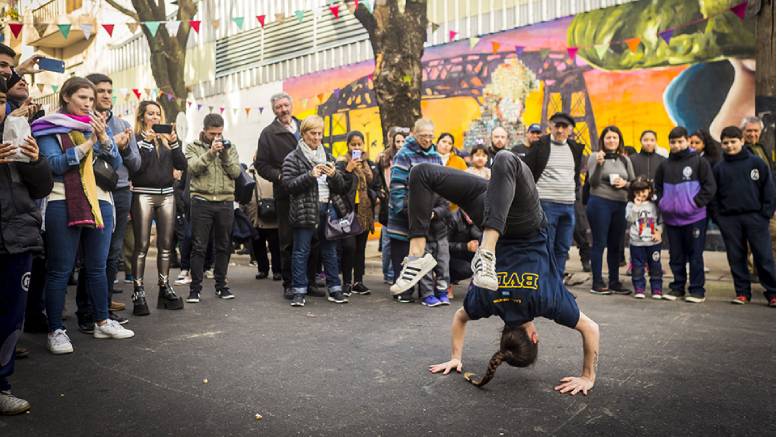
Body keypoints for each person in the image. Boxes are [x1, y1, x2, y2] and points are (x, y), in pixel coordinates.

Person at [385, 152, 599, 394]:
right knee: (422, 172)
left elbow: (591, 329)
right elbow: (459, 318)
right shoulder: (487, 302)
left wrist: (588, 376)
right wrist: (456, 356)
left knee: (504, 160)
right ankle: (419, 254)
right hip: (490, 212)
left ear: (535, 337)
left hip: (521, 222)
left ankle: (429, 254)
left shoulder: (548, 302)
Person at [35, 77, 135, 354]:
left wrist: (104, 140)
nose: (89, 103)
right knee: (60, 269)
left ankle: (102, 321)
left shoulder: (95, 127)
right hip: (62, 200)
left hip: (100, 199)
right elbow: (54, 165)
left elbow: (115, 164)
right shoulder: (48, 127)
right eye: (83, 98)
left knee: (98, 266)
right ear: (66, 97)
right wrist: (90, 142)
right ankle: (56, 329)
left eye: (91, 99)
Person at [0, 77, 53, 414]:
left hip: (17, 239)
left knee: (9, 319)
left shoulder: (17, 131)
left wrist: (34, 161)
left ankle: (2, 386)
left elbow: (41, 188)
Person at [129, 100, 187, 315]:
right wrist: (145, 143)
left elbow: (182, 165)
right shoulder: (135, 138)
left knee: (165, 245)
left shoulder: (166, 140)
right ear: (142, 116)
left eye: (157, 114)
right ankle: (138, 290)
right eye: (150, 114)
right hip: (142, 193)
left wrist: (173, 143)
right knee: (142, 245)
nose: (154, 117)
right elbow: (136, 169)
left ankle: (165, 287)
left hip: (167, 195)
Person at [282, 115, 346, 307]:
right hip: (305, 209)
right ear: (303, 134)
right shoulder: (292, 158)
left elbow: (341, 187)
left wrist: (334, 175)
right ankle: (299, 292)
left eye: (320, 133)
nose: (317, 137)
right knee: (301, 251)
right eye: (313, 133)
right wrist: (310, 175)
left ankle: (335, 289)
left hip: (328, 208)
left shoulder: (328, 156)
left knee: (330, 251)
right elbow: (288, 186)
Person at [712, 126, 775, 306]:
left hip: (756, 218)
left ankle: (772, 293)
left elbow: (769, 190)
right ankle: (742, 293)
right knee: (736, 257)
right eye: (726, 143)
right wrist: (719, 219)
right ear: (722, 144)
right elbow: (713, 197)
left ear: (741, 141)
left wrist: (765, 214)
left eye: (733, 141)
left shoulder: (757, 163)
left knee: (763, 256)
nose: (730, 146)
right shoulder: (719, 168)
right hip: (730, 220)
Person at [654, 127, 716, 303]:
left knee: (695, 256)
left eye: (680, 141)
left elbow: (710, 187)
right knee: (676, 256)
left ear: (687, 141)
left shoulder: (699, 162)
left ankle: (697, 290)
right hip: (672, 220)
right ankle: (677, 288)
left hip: (695, 218)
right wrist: (662, 203)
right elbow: (657, 188)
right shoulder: (664, 165)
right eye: (673, 142)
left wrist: (694, 204)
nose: (676, 145)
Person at [184, 114, 241, 303]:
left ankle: (221, 286)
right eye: (212, 134)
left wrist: (223, 154)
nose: (216, 137)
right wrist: (210, 153)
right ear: (205, 130)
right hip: (201, 200)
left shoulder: (230, 146)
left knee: (223, 246)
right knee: (199, 246)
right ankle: (195, 289)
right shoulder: (193, 146)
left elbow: (236, 173)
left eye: (219, 133)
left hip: (225, 201)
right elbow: (192, 169)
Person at [386, 119, 443, 303]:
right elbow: (396, 186)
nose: (427, 140)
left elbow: (441, 185)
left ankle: (421, 290)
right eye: (423, 136)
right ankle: (402, 290)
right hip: (404, 214)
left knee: (420, 255)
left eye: (430, 136)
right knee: (402, 254)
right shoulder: (404, 154)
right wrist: (403, 209)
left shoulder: (436, 157)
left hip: (426, 214)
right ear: (414, 134)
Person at [523, 112, 584, 278]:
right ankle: (544, 282)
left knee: (563, 247)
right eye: (557, 126)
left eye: (564, 127)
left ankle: (556, 284)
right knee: (545, 245)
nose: (560, 130)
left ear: (570, 129)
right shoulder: (540, 145)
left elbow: (575, 173)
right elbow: (527, 170)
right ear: (550, 126)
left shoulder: (575, 148)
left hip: (568, 204)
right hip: (546, 203)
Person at [255, 93, 302, 299]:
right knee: (288, 240)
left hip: (310, 190)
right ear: (274, 110)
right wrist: (280, 176)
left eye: (285, 105)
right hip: (285, 192)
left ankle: (308, 280)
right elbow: (261, 165)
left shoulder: (305, 127)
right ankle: (289, 283)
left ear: (292, 105)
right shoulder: (268, 133)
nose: (283, 110)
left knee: (312, 237)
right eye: (278, 107)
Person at [586, 126, 636, 295]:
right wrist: (599, 165)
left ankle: (614, 281)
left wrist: (625, 184)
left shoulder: (625, 159)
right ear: (603, 140)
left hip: (620, 204)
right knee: (599, 243)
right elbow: (592, 183)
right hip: (600, 203)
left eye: (615, 137)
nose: (612, 141)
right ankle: (597, 282)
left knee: (616, 244)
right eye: (608, 138)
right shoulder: (595, 156)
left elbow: (634, 183)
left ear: (619, 140)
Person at [336, 131, 379, 295]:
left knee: (360, 248)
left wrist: (375, 195)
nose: (356, 147)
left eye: (359, 144)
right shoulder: (341, 163)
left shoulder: (369, 163)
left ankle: (358, 281)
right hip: (348, 210)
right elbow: (339, 186)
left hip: (364, 211)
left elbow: (375, 183)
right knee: (348, 246)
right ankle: (346, 282)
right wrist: (348, 170)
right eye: (353, 144)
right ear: (348, 145)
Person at [377, 127, 409, 284]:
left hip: (403, 203)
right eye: (398, 141)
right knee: (388, 242)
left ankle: (395, 273)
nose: (401, 144)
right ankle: (388, 273)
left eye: (403, 141)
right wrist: (380, 192)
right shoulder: (384, 159)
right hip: (388, 204)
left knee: (399, 241)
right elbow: (379, 180)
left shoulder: (409, 158)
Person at [625, 177, 663, 299]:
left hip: (653, 242)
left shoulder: (654, 205)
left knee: (655, 266)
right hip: (637, 242)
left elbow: (661, 220)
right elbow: (629, 219)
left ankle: (656, 289)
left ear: (649, 191)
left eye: (643, 191)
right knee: (637, 266)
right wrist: (636, 206)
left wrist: (659, 232)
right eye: (637, 192)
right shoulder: (630, 205)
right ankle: (639, 288)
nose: (641, 195)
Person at [247, 164, 281, 281]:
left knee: (275, 245)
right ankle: (263, 269)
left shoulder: (275, 171)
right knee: (258, 245)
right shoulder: (250, 173)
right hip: (255, 215)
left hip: (274, 215)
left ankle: (277, 270)